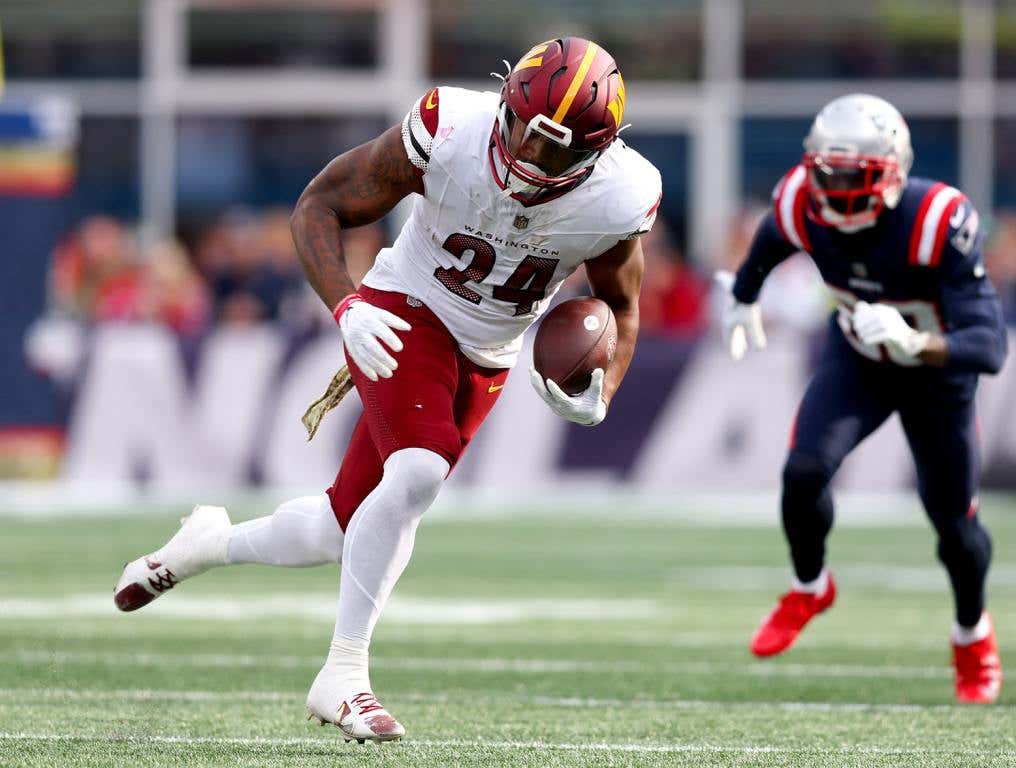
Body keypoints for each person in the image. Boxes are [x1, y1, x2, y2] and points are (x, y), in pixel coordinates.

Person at [113, 37, 662, 741]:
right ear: (507, 103)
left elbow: (619, 305)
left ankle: (203, 544)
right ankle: (344, 675)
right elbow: (319, 207)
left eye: (552, 150)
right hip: (409, 307)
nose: (526, 152)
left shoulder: (621, 195)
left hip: (490, 352)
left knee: (341, 530)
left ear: (593, 154)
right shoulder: (450, 128)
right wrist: (350, 305)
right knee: (417, 474)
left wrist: (603, 387)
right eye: (522, 125)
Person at [717, 94, 1007, 704]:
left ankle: (971, 634)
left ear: (893, 173)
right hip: (859, 360)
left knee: (955, 527)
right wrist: (744, 294)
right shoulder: (802, 200)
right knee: (803, 471)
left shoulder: (936, 219)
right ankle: (809, 587)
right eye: (827, 171)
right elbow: (772, 237)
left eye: (854, 174)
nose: (835, 186)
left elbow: (988, 346)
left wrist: (920, 342)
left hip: (938, 377)